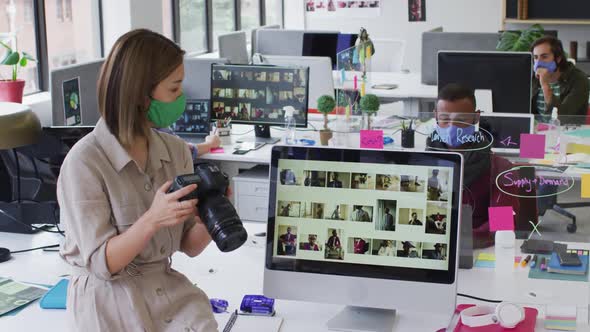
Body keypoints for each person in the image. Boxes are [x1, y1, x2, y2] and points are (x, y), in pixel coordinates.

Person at [57, 29, 218, 331]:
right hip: (108, 301)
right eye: (174, 89)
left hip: (166, 292)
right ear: (141, 94)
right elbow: (103, 265)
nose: (181, 98)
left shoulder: (176, 151)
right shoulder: (84, 163)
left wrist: (214, 218)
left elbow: (188, 245)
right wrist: (152, 219)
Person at [426, 83, 493, 248]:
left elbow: (502, 224)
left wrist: (456, 239)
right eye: (445, 119)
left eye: (461, 120)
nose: (451, 128)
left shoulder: (498, 168)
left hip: (477, 249)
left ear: (476, 118)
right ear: (435, 116)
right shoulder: (422, 163)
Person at [531, 36, 589, 123]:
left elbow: (562, 118)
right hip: (537, 131)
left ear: (558, 58)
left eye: (544, 57)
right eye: (536, 57)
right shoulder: (533, 78)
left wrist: (545, 85)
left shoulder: (579, 79)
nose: (538, 63)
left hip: (566, 133)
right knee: (512, 136)